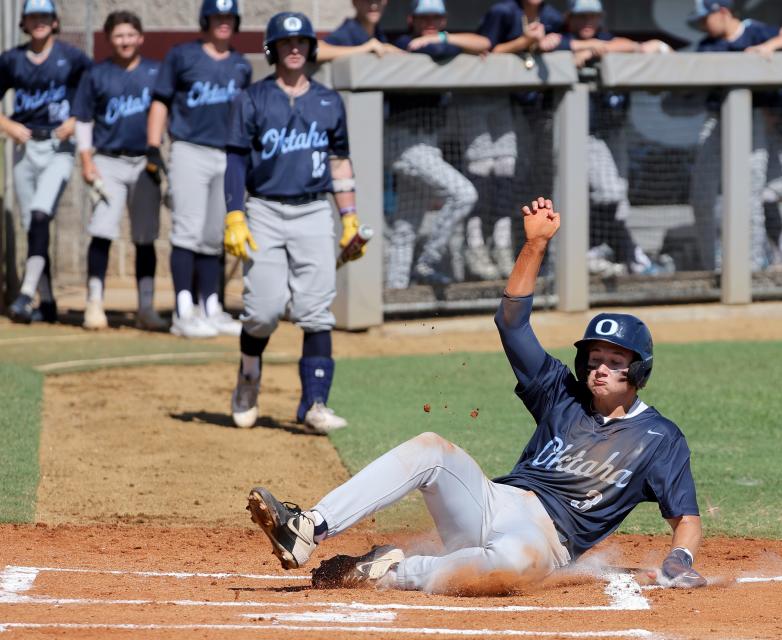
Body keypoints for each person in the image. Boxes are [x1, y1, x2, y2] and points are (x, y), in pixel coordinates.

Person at [246, 196, 707, 595]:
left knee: (511, 568)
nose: (599, 367)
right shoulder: (560, 393)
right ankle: (308, 526)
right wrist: (535, 246)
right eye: (593, 357)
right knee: (431, 449)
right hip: (493, 500)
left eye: (614, 360)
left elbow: (684, 518)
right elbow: (511, 324)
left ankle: (388, 570)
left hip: (545, 542)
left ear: (639, 369)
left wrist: (680, 559)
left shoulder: (658, 438)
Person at [225, 12, 363, 435]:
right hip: (264, 209)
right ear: (273, 49)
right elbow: (235, 159)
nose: (295, 47)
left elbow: (339, 161)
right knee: (263, 311)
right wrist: (235, 212)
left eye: (302, 40)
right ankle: (249, 377)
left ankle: (314, 404)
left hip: (312, 210)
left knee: (316, 311)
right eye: (286, 42)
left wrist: (349, 216)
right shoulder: (252, 98)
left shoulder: (328, 100)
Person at [687, 0, 782, 272]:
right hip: (716, 121)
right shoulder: (707, 44)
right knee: (702, 195)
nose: (703, 25)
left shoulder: (756, 32)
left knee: (748, 194)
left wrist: (770, 47)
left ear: (723, 12)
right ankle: (710, 264)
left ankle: (748, 265)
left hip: (751, 121)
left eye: (707, 18)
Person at [145, 0, 251, 338]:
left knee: (213, 237)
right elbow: (161, 100)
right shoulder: (182, 56)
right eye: (217, 16)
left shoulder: (241, 64)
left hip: (227, 154)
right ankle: (183, 309)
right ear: (205, 19)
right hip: (189, 148)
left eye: (229, 16)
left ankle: (212, 307)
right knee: (187, 231)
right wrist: (153, 145)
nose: (224, 22)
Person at [558, 0, 672, 278]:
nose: (587, 21)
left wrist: (600, 48)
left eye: (592, 16)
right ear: (570, 18)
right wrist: (579, 51)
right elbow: (550, 46)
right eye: (581, 16)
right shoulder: (561, 40)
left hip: (614, 133)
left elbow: (645, 46)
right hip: (579, 133)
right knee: (607, 192)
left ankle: (606, 250)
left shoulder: (609, 41)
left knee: (618, 199)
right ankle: (608, 251)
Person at [72, 11, 167, 332]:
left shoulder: (156, 71)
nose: (125, 41)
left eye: (130, 35)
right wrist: (87, 161)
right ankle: (94, 302)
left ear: (140, 37)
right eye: (118, 36)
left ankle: (145, 306)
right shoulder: (97, 74)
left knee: (145, 237)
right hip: (108, 160)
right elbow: (83, 119)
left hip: (144, 162)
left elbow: (167, 109)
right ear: (109, 39)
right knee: (102, 232)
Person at [460, 0, 566, 281]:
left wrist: (556, 42)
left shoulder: (552, 16)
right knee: (481, 176)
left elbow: (563, 48)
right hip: (476, 99)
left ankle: (503, 245)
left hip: (508, 104)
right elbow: (486, 50)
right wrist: (525, 41)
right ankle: (474, 246)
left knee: (507, 173)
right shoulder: (502, 11)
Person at [384, 0, 486, 288]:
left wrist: (445, 39)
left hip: (428, 142)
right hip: (404, 141)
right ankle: (427, 261)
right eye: (423, 16)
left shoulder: (445, 38)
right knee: (464, 193)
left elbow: (483, 43)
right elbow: (434, 50)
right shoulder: (404, 41)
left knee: (406, 224)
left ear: (444, 21)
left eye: (435, 17)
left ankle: (396, 289)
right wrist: (441, 43)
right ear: (411, 19)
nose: (429, 21)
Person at [0, 0, 90, 324]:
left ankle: (25, 295)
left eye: (44, 16)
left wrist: (77, 118)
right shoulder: (11, 60)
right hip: (25, 146)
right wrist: (7, 125)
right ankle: (48, 303)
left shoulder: (73, 57)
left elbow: (92, 91)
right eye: (33, 16)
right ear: (24, 22)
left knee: (40, 213)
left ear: (55, 21)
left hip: (58, 146)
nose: (39, 21)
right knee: (33, 225)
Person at [317, 0, 403, 62]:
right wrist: (364, 49)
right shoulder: (347, 32)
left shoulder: (380, 34)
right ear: (354, 2)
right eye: (367, 0)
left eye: (378, 0)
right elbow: (316, 51)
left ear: (385, 1)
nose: (374, 6)